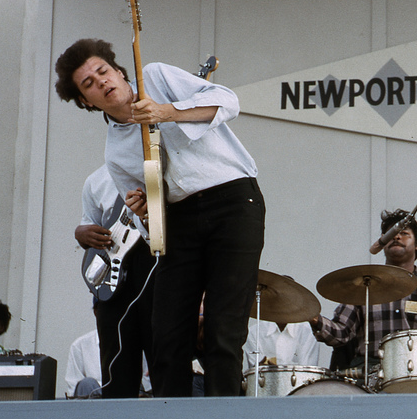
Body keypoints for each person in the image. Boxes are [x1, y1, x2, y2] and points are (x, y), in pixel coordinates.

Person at [55, 39, 265, 397]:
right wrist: (147, 213)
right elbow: (152, 228)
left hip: (233, 200)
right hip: (180, 220)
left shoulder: (155, 76)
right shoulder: (115, 153)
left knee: (223, 329)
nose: (102, 82)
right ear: (86, 102)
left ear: (119, 72)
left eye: (103, 71)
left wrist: (167, 112)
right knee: (166, 335)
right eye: (89, 84)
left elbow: (228, 101)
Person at [309, 210, 417, 374]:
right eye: (390, 234)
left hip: (415, 371)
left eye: (404, 233)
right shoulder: (364, 283)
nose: (396, 237)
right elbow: (341, 333)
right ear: (382, 243)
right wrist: (314, 319)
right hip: (368, 371)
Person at [76, 165, 154, 399]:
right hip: (114, 281)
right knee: (116, 368)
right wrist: (81, 234)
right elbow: (89, 222)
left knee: (163, 363)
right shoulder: (96, 180)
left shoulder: (161, 169)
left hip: (155, 270)